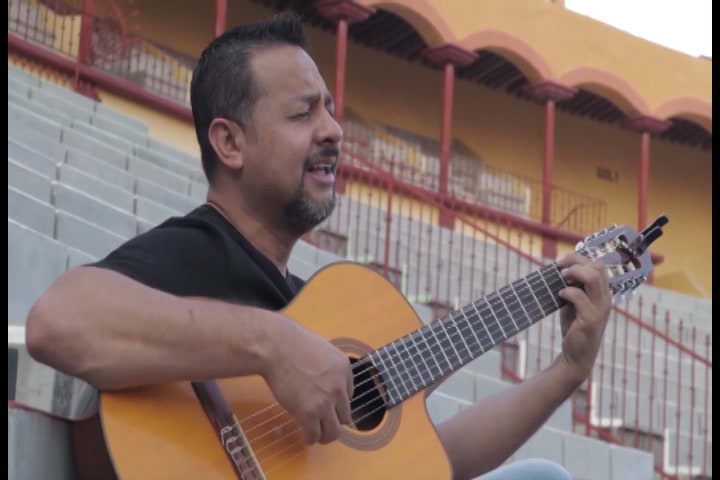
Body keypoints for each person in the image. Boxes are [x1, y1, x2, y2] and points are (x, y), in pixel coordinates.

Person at [26, 12, 611, 480]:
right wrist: (271, 344)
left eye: (330, 108)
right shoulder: (200, 250)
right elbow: (58, 321)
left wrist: (565, 373)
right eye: (304, 112)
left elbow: (434, 464)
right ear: (230, 143)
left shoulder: (312, 306)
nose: (333, 128)